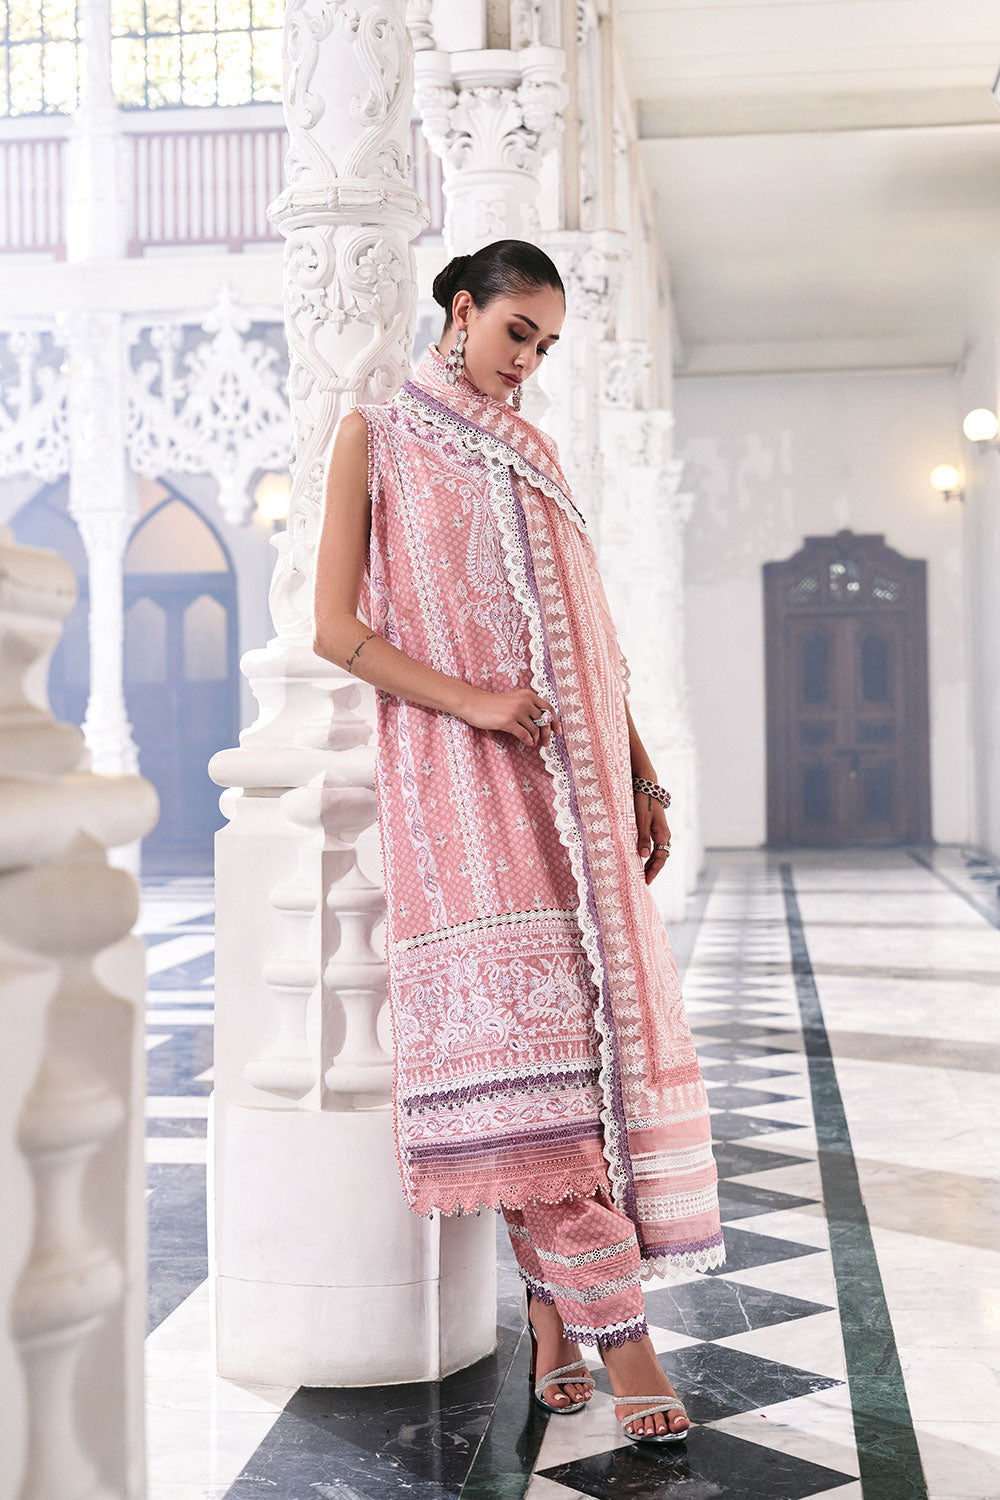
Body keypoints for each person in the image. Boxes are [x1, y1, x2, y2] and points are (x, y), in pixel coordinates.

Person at [313, 239, 724, 1445]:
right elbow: (334, 628)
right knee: (522, 1063)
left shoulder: (532, 454)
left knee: (580, 1070)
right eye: (516, 333)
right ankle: (626, 1339)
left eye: (544, 345)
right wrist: (477, 703)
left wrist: (639, 772)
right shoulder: (377, 437)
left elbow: (594, 636)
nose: (529, 361)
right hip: (461, 789)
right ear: (461, 310)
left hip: (577, 794)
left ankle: (551, 1316)